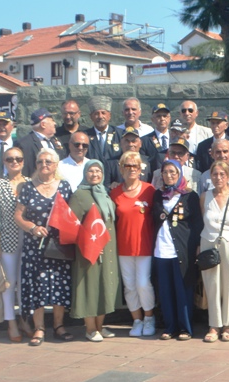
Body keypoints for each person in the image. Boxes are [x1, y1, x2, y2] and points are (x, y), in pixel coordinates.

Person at [15, 148, 74, 345]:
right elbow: (18, 216)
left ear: (56, 165)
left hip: (58, 245)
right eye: (40, 162)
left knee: (59, 284)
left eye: (48, 162)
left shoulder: (64, 187)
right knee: (37, 287)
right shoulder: (28, 187)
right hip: (35, 246)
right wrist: (32, 228)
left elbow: (72, 214)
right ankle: (39, 328)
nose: (44, 165)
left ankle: (58, 326)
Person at [70, 160, 123, 342]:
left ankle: (100, 326)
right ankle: (90, 329)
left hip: (108, 247)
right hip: (89, 249)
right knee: (90, 287)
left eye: (98, 170)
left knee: (105, 285)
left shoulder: (105, 194)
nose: (95, 174)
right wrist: (87, 246)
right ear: (85, 173)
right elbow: (73, 225)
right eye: (91, 171)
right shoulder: (79, 195)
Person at [152, 159, 203, 340]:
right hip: (161, 249)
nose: (169, 175)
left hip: (182, 249)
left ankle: (185, 328)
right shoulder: (158, 195)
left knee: (183, 290)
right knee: (165, 291)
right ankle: (170, 326)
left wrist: (197, 246)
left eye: (173, 172)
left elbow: (197, 224)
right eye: (166, 172)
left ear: (180, 173)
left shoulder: (190, 196)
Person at [199, 161, 229, 343]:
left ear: (228, 176)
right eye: (215, 174)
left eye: (222, 174)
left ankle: (228, 324)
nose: (218, 178)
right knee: (211, 285)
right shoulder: (205, 197)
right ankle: (214, 325)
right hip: (209, 244)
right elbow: (202, 220)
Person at [111, 150, 157, 337]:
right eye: (127, 165)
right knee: (129, 285)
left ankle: (149, 317)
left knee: (143, 283)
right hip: (124, 248)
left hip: (145, 246)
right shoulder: (114, 193)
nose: (131, 169)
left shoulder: (149, 190)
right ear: (121, 169)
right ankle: (136, 320)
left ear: (140, 169)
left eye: (135, 166)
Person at [0, 145, 30, 342]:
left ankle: (24, 318)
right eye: (10, 159)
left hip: (29, 239)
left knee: (24, 283)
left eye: (19, 159)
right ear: (4, 162)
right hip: (7, 239)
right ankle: (10, 321)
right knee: (9, 282)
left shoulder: (30, 182)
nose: (15, 162)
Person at [18, 108, 66, 176]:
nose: (55, 123)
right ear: (43, 124)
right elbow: (25, 171)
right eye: (52, 120)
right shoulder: (25, 144)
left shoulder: (55, 140)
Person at [84, 96, 124, 163]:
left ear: (109, 115)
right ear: (91, 117)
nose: (100, 116)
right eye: (96, 113)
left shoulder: (120, 134)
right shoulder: (85, 136)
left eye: (103, 113)